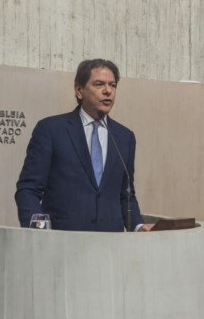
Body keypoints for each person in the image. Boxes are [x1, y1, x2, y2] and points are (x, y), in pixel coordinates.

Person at [15, 59, 154, 232]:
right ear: (79, 90)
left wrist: (138, 226)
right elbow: (28, 189)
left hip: (112, 245)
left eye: (112, 85)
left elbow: (126, 195)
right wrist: (37, 232)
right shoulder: (51, 130)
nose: (108, 91)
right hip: (63, 242)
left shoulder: (125, 137)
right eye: (99, 84)